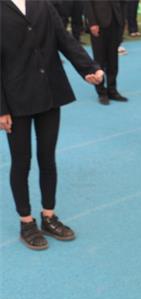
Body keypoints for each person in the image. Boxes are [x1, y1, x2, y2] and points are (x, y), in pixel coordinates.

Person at [1, 0, 103, 250]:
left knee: (48, 158)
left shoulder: (42, 4)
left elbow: (64, 39)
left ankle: (49, 216)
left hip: (50, 94)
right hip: (15, 100)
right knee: (21, 161)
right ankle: (27, 222)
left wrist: (89, 68)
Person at [85, 0, 128, 105]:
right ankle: (101, 92)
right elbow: (87, 3)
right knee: (99, 60)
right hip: (99, 23)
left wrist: (123, 20)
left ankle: (112, 90)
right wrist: (92, 22)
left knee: (113, 60)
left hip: (116, 21)